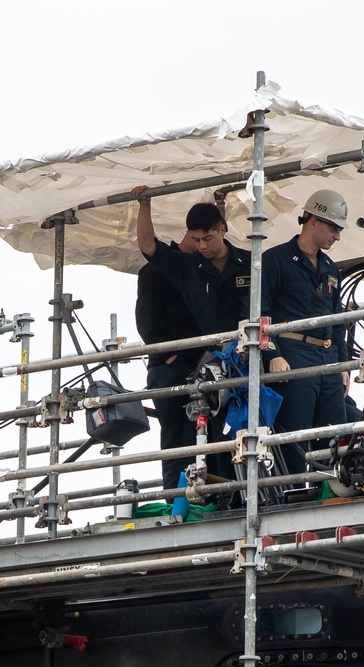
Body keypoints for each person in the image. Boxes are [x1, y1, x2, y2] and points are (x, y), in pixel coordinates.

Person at [134, 185, 252, 486]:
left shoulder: (252, 262)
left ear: (223, 229)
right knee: (182, 442)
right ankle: (181, 504)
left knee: (231, 434)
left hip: (240, 362)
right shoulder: (186, 267)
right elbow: (148, 245)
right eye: (195, 239)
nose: (202, 245)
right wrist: (144, 205)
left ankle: (234, 496)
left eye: (207, 238)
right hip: (196, 365)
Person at [261, 190, 350, 475]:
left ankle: (331, 494)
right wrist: (273, 352)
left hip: (328, 359)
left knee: (334, 434)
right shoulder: (275, 260)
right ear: (313, 221)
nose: (336, 236)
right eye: (333, 227)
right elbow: (259, 312)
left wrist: (344, 364)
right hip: (294, 356)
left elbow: (338, 321)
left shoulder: (330, 268)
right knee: (295, 435)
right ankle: (294, 496)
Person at [135, 232, 203, 491]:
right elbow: (146, 321)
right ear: (192, 235)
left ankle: (199, 497)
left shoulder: (198, 270)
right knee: (177, 437)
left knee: (200, 436)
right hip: (171, 367)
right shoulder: (155, 271)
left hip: (196, 365)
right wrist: (168, 355)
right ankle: (176, 500)